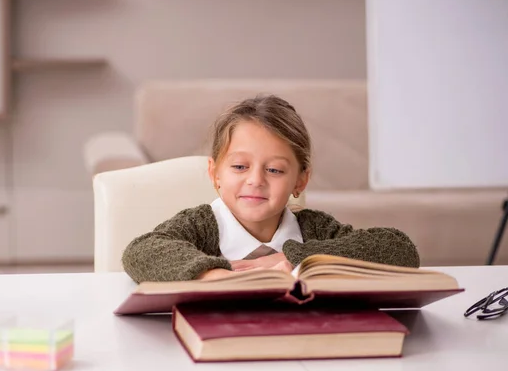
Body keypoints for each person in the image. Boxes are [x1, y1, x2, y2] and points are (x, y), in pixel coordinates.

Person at [122, 95, 419, 283]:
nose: (255, 180)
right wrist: (212, 275)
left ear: (300, 181)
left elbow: (399, 250)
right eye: (239, 167)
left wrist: (295, 256)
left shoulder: (314, 228)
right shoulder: (199, 225)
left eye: (274, 170)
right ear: (215, 174)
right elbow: (140, 251)